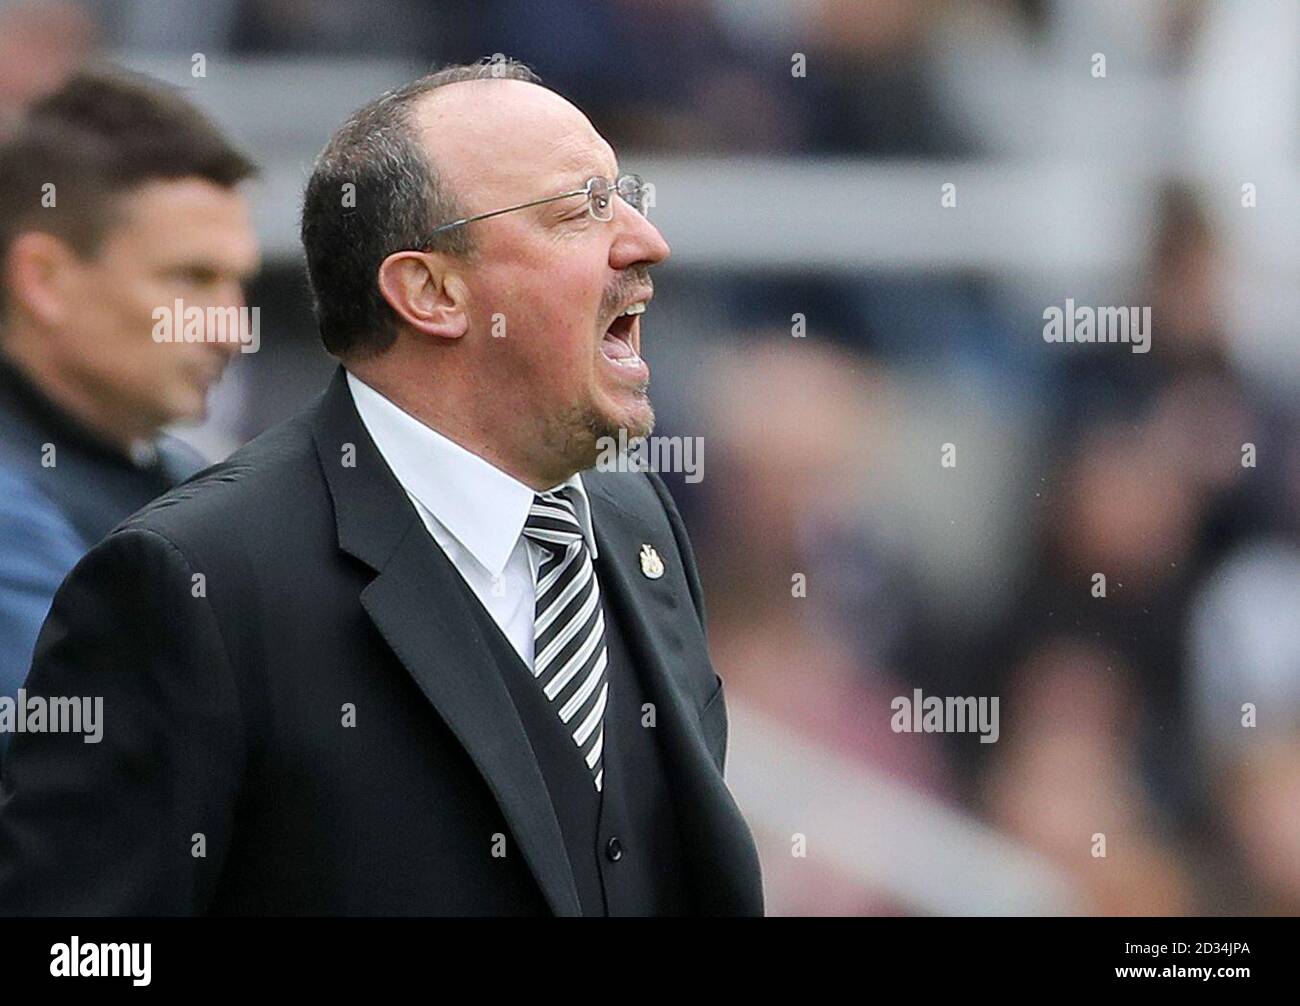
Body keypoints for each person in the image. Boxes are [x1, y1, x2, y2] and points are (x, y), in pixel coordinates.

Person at [0, 58, 764, 916]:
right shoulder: (195, 579)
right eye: (581, 209)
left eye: (624, 196)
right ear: (431, 291)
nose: (645, 240)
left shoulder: (640, 526)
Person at [0, 66, 259, 735]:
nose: (232, 330)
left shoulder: (189, 479)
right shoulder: (10, 512)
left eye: (238, 286)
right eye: (191, 279)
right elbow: (112, 761)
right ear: (45, 280)